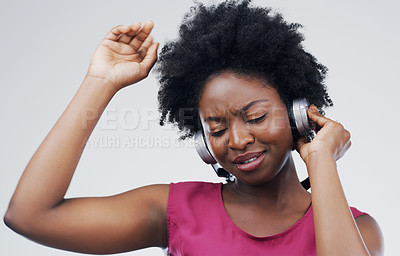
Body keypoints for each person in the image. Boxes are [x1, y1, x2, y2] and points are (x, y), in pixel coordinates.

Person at [4, 0, 383, 255]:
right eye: (216, 128)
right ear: (202, 140)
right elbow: (30, 215)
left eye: (255, 117)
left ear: (298, 113)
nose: (237, 140)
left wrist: (322, 160)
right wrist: (100, 82)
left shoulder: (359, 230)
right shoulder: (175, 210)